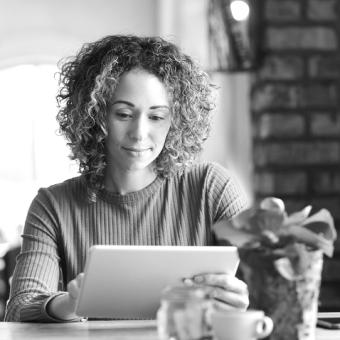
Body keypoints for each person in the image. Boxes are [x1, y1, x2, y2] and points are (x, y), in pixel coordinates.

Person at [5, 35, 249, 322]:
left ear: (177, 121)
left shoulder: (212, 188)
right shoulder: (53, 205)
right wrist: (71, 303)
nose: (139, 133)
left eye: (157, 117)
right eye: (123, 114)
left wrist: (243, 298)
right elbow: (20, 308)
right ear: (95, 116)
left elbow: (269, 285)